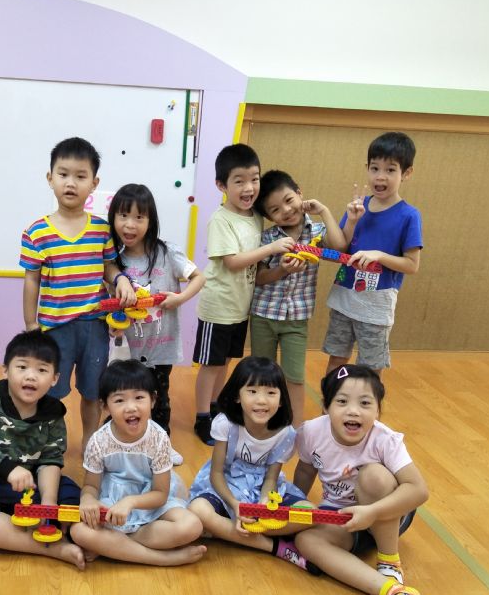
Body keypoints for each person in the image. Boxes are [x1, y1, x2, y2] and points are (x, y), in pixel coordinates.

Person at [292, 364, 429, 595]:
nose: (353, 411)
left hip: (387, 516)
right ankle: (390, 591)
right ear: (326, 407)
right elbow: (306, 470)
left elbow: (418, 491)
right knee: (305, 541)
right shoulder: (311, 432)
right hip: (342, 518)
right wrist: (295, 507)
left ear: (378, 410)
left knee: (374, 477)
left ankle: (389, 562)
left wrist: (372, 512)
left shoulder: (385, 439)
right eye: (342, 402)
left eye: (365, 403)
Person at [20, 137, 135, 451]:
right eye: (63, 174)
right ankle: (49, 445)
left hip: (94, 325)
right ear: (50, 178)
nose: (71, 183)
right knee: (51, 391)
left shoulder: (101, 229)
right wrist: (31, 325)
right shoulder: (36, 232)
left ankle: (89, 442)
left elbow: (109, 267)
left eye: (81, 176)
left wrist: (121, 279)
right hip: (54, 328)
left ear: (94, 183)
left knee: (92, 391)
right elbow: (31, 281)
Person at [0, 329, 86, 569]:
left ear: (54, 378)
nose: (31, 376)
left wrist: (48, 502)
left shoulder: (53, 413)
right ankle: (53, 547)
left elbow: (50, 459)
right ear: (5, 370)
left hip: (29, 489)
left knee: (72, 498)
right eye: (22, 367)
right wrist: (7, 469)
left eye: (42, 370)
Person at [192, 144, 296, 445]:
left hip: (239, 308)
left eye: (254, 179)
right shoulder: (221, 219)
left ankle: (215, 408)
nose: (249, 188)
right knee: (211, 365)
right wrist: (272, 248)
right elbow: (232, 262)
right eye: (239, 181)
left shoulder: (255, 216)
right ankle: (202, 417)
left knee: (224, 362)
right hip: (218, 307)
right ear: (222, 186)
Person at [70, 360, 206, 566]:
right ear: (104, 406)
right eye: (119, 400)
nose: (131, 407)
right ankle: (163, 559)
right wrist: (88, 500)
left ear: (153, 400)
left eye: (139, 397)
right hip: (112, 503)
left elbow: (160, 494)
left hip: (150, 501)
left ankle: (114, 546)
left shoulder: (159, 438)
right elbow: (91, 486)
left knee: (192, 526)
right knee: (79, 531)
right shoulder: (98, 441)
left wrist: (130, 502)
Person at [187, 356, 314, 570]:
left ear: (281, 400)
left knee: (309, 513)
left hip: (262, 488)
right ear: (237, 396)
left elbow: (271, 478)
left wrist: (264, 505)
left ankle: (230, 531)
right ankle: (275, 547)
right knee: (197, 509)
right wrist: (236, 505)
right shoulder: (225, 424)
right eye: (252, 391)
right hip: (227, 486)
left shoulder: (285, 434)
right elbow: (216, 473)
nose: (261, 400)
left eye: (271, 393)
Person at [107, 182, 205, 456]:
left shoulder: (167, 252)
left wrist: (179, 298)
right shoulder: (114, 262)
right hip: (129, 349)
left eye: (139, 217)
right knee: (128, 396)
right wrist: (114, 326)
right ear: (113, 218)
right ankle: (127, 444)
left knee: (158, 398)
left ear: (150, 221)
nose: (130, 224)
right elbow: (113, 309)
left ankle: (162, 447)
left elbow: (199, 278)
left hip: (161, 346)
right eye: (123, 215)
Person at [250, 171, 347, 426]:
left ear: (299, 193)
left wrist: (323, 211)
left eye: (289, 200)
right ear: (269, 216)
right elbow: (258, 278)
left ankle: (294, 428)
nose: (286, 210)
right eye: (275, 209)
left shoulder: (317, 232)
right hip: (263, 316)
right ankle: (262, 422)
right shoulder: (268, 238)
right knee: (262, 374)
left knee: (294, 376)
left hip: (297, 319)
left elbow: (340, 247)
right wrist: (281, 270)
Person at [322, 131, 423, 376]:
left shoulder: (409, 215)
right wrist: (352, 220)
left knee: (371, 366)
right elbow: (341, 248)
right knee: (337, 359)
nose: (380, 176)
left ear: (406, 173)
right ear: (366, 168)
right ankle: (332, 401)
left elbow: (412, 265)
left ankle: (368, 403)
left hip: (376, 305)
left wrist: (379, 255)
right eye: (375, 168)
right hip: (345, 297)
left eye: (390, 170)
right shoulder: (358, 206)